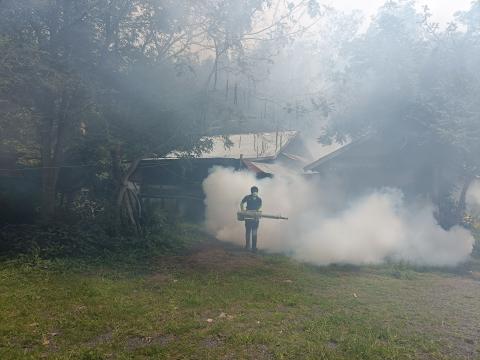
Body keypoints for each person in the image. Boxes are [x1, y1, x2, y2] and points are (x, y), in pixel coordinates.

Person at [240, 186, 262, 252]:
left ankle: (254, 248)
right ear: (251, 192)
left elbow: (260, 206)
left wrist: (257, 211)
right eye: (253, 191)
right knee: (248, 232)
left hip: (255, 218)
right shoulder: (247, 197)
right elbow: (242, 203)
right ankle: (247, 247)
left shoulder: (259, 199)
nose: (254, 193)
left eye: (256, 192)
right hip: (248, 218)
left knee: (254, 233)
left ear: (257, 192)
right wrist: (242, 210)